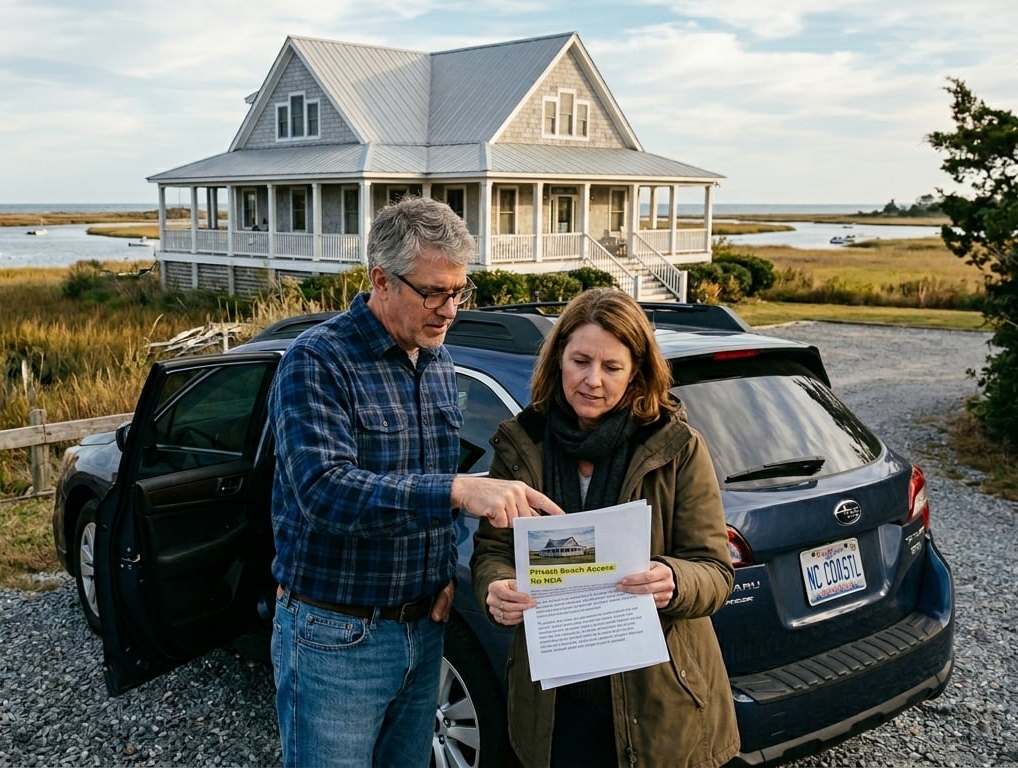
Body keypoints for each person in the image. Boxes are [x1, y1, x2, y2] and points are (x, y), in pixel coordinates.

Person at [268, 196, 563, 768]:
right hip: (336, 638)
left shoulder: (437, 361)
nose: (449, 309)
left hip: (425, 630)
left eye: (458, 292)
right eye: (433, 292)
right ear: (381, 280)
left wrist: (441, 575)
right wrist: (456, 490)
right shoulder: (316, 361)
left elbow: (422, 476)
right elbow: (325, 490)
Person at [471, 287, 739, 768]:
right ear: (558, 361)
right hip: (553, 700)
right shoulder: (521, 443)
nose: (592, 380)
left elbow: (715, 572)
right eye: (580, 361)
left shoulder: (677, 447)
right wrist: (495, 587)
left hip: (657, 700)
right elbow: (492, 551)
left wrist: (674, 580)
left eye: (612, 367)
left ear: (636, 371)